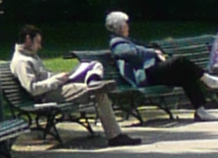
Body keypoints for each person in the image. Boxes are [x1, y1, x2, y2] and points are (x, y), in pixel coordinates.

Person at [8, 27, 138, 145]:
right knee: (99, 92)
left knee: (93, 64)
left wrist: (59, 76)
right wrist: (57, 80)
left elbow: (44, 77)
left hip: (57, 87)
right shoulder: (21, 62)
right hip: (47, 95)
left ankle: (93, 81)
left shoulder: (31, 57)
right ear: (27, 39)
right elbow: (33, 89)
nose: (40, 46)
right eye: (38, 42)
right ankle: (115, 136)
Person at [103, 12, 214, 115]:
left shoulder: (127, 40)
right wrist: (153, 52)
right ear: (120, 26)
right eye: (126, 23)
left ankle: (200, 110)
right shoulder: (116, 44)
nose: (128, 26)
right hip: (144, 76)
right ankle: (206, 78)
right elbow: (133, 53)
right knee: (180, 61)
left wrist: (157, 52)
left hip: (151, 72)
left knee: (185, 74)